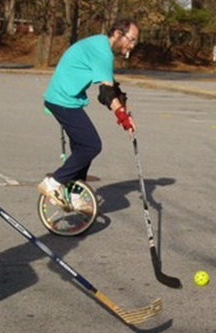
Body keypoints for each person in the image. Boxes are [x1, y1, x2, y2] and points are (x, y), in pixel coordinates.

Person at [38, 18, 139, 209]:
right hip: (61, 100)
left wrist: (124, 111)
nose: (132, 46)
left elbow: (112, 87)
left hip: (68, 99)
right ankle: (53, 183)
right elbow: (106, 94)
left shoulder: (101, 45)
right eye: (131, 40)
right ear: (118, 34)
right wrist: (123, 119)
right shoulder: (102, 52)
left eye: (135, 42)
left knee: (81, 149)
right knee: (91, 146)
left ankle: (75, 195)